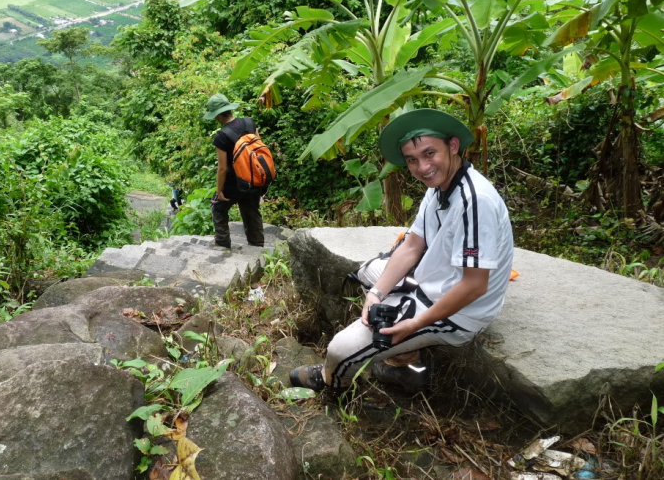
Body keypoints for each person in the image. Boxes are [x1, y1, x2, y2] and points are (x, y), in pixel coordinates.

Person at [290, 108, 513, 392]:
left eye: (430, 153)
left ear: (453, 146)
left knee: (340, 350)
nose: (422, 168)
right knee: (369, 274)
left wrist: (415, 324)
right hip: (433, 279)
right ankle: (405, 359)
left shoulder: (475, 201)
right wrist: (375, 294)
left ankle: (330, 381)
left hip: (460, 309)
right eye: (412, 160)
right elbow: (412, 245)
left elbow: (474, 286)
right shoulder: (440, 186)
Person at [203, 93, 264, 249]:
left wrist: (219, 191)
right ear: (229, 109)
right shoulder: (249, 122)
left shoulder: (221, 136)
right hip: (254, 177)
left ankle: (222, 244)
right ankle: (257, 245)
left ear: (217, 115)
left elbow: (223, 168)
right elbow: (259, 149)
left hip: (235, 182)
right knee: (251, 209)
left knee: (218, 207)